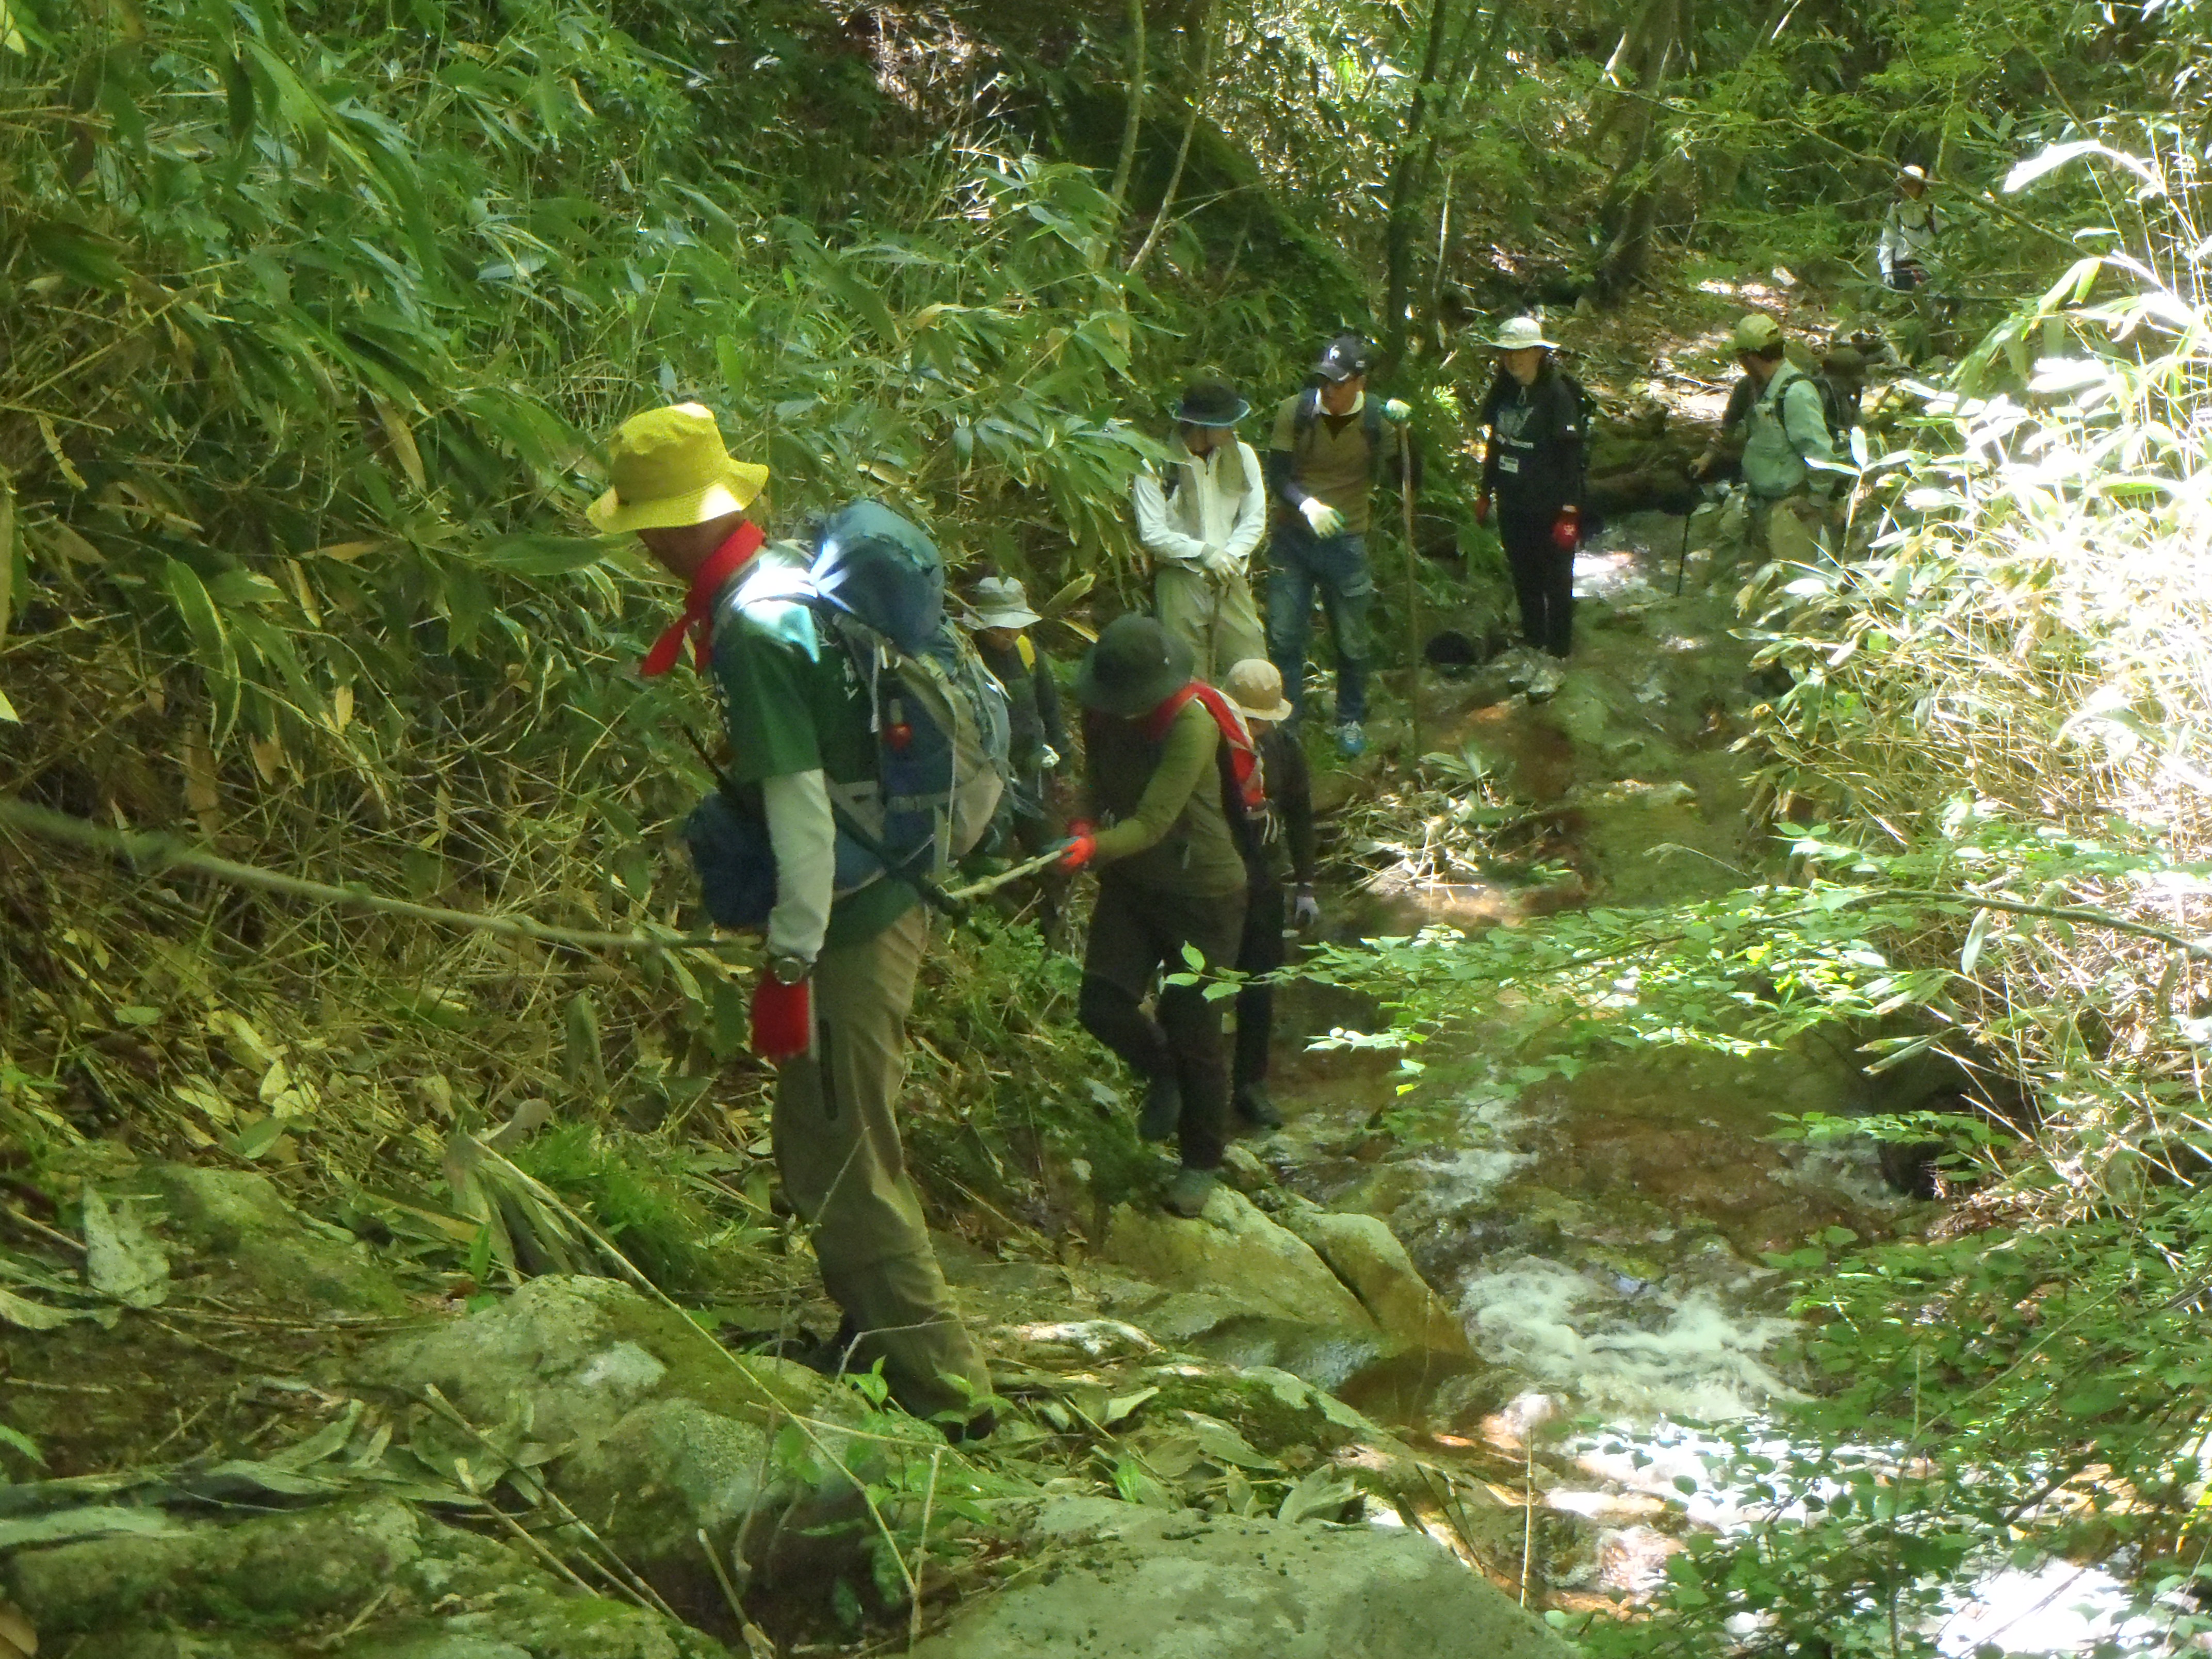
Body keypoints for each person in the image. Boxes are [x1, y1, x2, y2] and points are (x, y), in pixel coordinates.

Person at [589, 404, 992, 1438]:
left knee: (851, 1154)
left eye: (642, 522)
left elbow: (799, 805)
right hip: (873, 888)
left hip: (851, 909)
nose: (635, 542)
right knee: (816, 1140)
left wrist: (789, 956)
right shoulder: (770, 586)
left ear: (674, 526)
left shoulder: (757, 626)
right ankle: (870, 1341)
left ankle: (950, 1396)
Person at [1059, 615, 1256, 1218]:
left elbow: (1153, 822)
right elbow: (1095, 784)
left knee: (1197, 1030)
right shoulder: (1100, 716)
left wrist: (1092, 851)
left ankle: (1201, 1161)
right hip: (1131, 885)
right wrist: (1081, 824)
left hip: (1205, 896)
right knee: (1101, 1003)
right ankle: (1160, 1071)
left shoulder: (1191, 724)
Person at [1265, 332, 1414, 758]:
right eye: (1325, 381)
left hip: (1346, 542)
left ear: (1360, 381)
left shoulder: (1376, 421)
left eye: (1339, 382)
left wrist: (1406, 434)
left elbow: (1407, 477)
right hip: (1292, 538)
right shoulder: (1295, 412)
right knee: (1284, 636)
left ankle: (1350, 718)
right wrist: (1307, 505)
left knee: (1352, 640)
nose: (1329, 390)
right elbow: (1278, 476)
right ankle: (1287, 723)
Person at [1221, 659, 1319, 1132]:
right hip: (1213, 880)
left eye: (1264, 721)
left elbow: (1300, 815)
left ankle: (1250, 1083)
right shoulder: (1206, 745)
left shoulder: (1283, 749)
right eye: (1250, 720)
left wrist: (1305, 884)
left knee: (1259, 983)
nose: (1258, 730)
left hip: (1264, 878)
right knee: (1200, 982)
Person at [1132, 378, 1268, 683]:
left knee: (1252, 670)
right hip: (1179, 580)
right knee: (1186, 678)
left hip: (1231, 576)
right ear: (1200, 426)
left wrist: (1228, 556)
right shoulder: (1155, 464)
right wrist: (1204, 553)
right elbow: (1152, 533)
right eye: (1225, 424)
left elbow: (1254, 517)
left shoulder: (1243, 456)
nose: (1233, 430)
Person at [1473, 316, 1586, 660]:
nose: (1512, 360)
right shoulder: (1504, 390)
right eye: (1506, 353)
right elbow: (1496, 443)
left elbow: (1572, 457)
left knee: (1557, 582)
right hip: (1513, 503)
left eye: (1520, 352)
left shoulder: (1556, 394)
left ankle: (1560, 652)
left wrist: (1570, 512)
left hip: (1551, 506)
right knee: (1524, 577)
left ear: (1538, 352)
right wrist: (1484, 491)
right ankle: (1534, 643)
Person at [962, 576, 1069, 934]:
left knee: (1055, 854)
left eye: (1015, 627)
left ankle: (1055, 936)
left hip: (1034, 772)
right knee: (997, 861)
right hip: (989, 777)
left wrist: (1063, 763)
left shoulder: (1028, 653)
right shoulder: (967, 658)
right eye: (1000, 629)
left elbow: (1049, 708)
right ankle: (1003, 940)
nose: (1008, 636)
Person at [1718, 314, 1840, 568]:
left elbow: (1820, 452)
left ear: (1749, 357)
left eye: (1741, 357)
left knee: (1792, 584)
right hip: (1761, 504)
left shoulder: (1796, 393)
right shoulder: (1759, 388)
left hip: (1793, 508)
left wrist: (1814, 502)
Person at [1877, 165, 1939, 292]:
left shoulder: (1934, 208)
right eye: (1905, 185)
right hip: (1903, 267)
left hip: (1930, 268)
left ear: (1921, 186)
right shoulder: (1896, 208)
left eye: (1913, 185)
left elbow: (1945, 238)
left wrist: (1938, 270)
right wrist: (1887, 270)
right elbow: (1888, 239)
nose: (1909, 189)